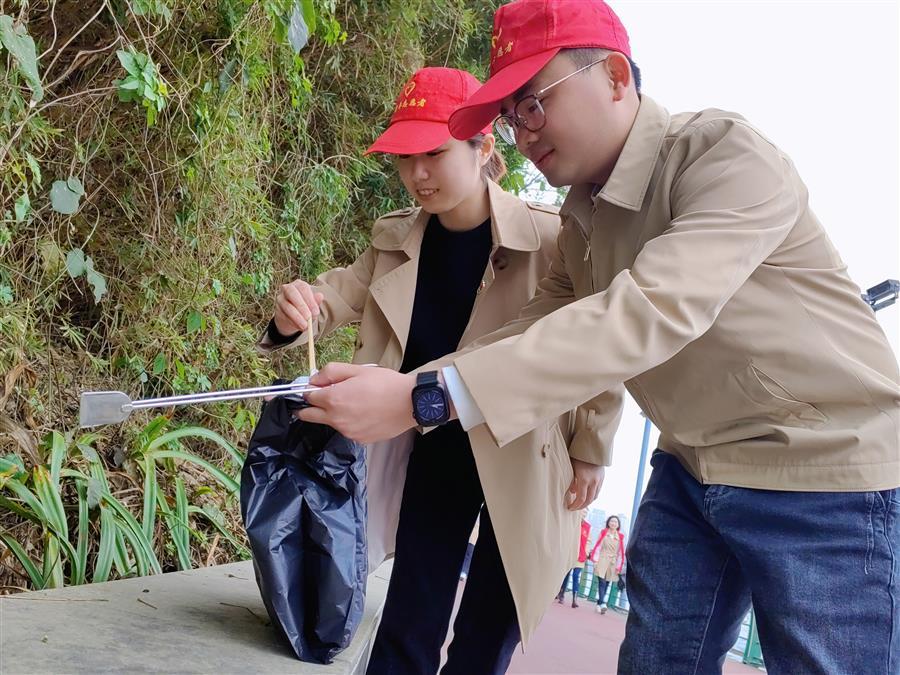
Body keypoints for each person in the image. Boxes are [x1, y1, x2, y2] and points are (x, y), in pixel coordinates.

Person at [297, 2, 900, 673]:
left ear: (615, 76)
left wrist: (422, 400)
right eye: (509, 116)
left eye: (533, 104)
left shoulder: (724, 153)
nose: (522, 134)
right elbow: (540, 325)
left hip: (826, 467)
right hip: (692, 466)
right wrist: (415, 387)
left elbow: (645, 310)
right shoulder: (581, 218)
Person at [260, 66, 617, 674]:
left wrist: (591, 448)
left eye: (433, 152)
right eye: (404, 157)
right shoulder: (397, 238)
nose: (417, 173)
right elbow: (339, 295)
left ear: (484, 147)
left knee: (487, 631)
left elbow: (601, 343)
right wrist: (299, 309)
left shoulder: (552, 237)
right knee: (409, 617)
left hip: (524, 449)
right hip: (433, 438)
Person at [588, 516, 624, 614]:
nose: (613, 523)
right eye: (612, 521)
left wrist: (618, 566)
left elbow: (621, 553)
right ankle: (603, 603)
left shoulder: (620, 536)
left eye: (615, 522)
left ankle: (599, 604)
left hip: (612, 562)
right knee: (602, 582)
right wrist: (595, 561)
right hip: (602, 559)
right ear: (608, 523)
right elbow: (598, 546)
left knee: (607, 583)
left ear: (618, 525)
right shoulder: (603, 532)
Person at [557, 508, 590, 607]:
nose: (583, 514)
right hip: (569, 553)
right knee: (565, 574)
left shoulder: (587, 527)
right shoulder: (572, 522)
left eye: (585, 512)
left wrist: (587, 552)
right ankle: (561, 594)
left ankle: (574, 599)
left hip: (581, 555)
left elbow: (588, 540)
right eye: (582, 511)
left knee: (576, 576)